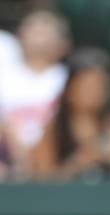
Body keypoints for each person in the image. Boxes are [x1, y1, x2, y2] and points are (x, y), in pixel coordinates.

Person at [30, 48, 110, 181]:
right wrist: (81, 161)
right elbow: (44, 178)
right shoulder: (53, 130)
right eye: (87, 86)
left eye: (100, 85)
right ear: (69, 90)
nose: (95, 92)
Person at [0, 10, 70, 179]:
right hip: (8, 157)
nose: (39, 39)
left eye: (45, 32)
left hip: (55, 157)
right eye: (34, 31)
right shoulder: (6, 75)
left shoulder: (66, 77)